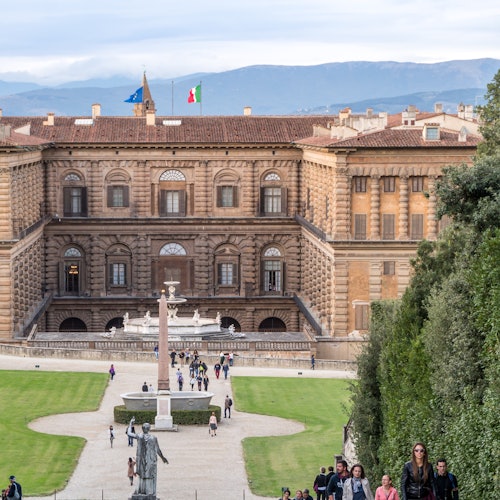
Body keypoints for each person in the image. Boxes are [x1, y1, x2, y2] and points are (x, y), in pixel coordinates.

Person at [127, 418, 168, 496]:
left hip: (141, 460)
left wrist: (130, 424)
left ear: (142, 429)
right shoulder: (153, 438)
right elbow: (158, 450)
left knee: (142, 476)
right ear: (149, 429)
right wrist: (163, 458)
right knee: (149, 476)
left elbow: (129, 433)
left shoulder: (139, 436)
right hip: (150, 460)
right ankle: (148, 492)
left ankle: (141, 491)